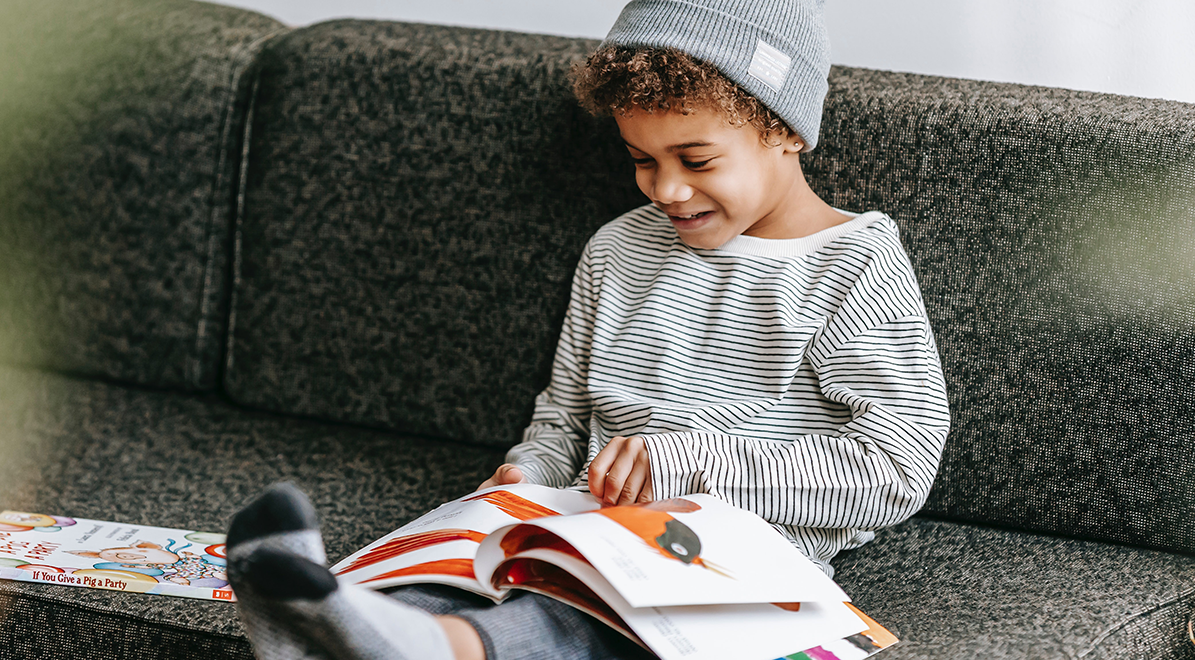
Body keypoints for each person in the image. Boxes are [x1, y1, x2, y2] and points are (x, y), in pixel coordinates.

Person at [223, 0, 950, 658]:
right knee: (465, 572)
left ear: (784, 130)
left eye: (696, 160)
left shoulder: (851, 264)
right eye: (641, 160)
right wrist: (526, 474)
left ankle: (433, 650)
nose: (666, 190)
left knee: (587, 615)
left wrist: (686, 461)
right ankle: (335, 625)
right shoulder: (618, 249)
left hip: (726, 557)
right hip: (578, 524)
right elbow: (564, 415)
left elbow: (897, 467)